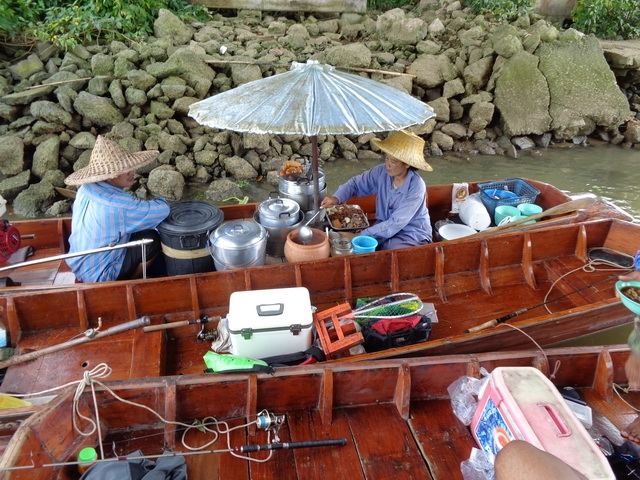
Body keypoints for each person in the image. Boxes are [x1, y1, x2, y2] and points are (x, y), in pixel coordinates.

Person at [65, 135, 170, 282]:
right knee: (152, 239)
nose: (132, 172)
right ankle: (129, 283)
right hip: (100, 274)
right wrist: (163, 200)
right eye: (125, 170)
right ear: (109, 176)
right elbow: (163, 210)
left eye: (130, 167)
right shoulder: (118, 205)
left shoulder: (86, 188)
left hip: (78, 262)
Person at [320, 130, 432, 250]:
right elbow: (355, 184)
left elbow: (396, 222)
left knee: (389, 251)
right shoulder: (381, 172)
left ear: (407, 164)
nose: (388, 164)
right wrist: (336, 198)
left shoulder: (416, 187)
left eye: (393, 161)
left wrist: (359, 236)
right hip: (382, 228)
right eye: (387, 158)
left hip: (410, 234)